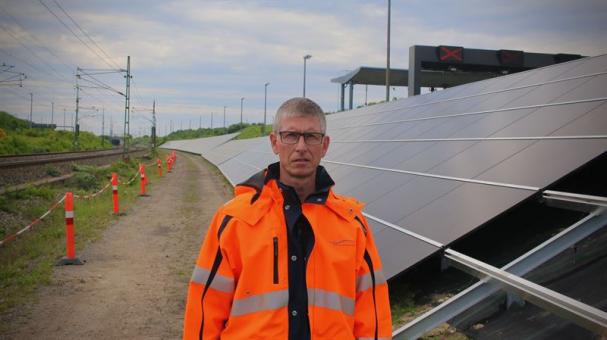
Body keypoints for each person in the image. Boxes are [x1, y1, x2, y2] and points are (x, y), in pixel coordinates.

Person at [183, 97, 392, 340]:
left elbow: (372, 313)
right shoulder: (235, 219)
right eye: (291, 135)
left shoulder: (352, 224)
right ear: (274, 142)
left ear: (324, 145)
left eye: (311, 136)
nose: (301, 146)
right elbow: (205, 309)